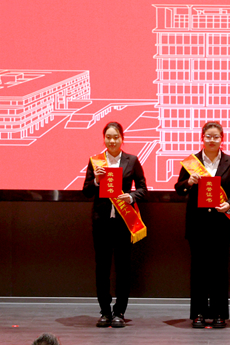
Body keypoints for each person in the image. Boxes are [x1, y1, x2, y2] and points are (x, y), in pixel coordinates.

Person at [175, 121, 230, 329]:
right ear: (202, 138)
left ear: (222, 139)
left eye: (216, 137)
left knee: (219, 271)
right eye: (208, 136)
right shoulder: (192, 162)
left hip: (221, 225)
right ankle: (198, 313)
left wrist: (229, 205)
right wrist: (189, 182)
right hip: (197, 225)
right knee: (199, 271)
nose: (212, 140)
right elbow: (178, 188)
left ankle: (219, 313)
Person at [82, 121, 148, 328]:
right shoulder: (96, 161)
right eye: (108, 137)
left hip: (123, 222)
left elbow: (143, 189)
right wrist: (96, 181)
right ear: (104, 139)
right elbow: (86, 191)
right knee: (102, 268)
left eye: (115, 137)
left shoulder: (132, 160)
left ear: (122, 138)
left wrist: (132, 196)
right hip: (101, 222)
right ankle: (104, 311)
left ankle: (119, 311)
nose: (112, 141)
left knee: (123, 268)